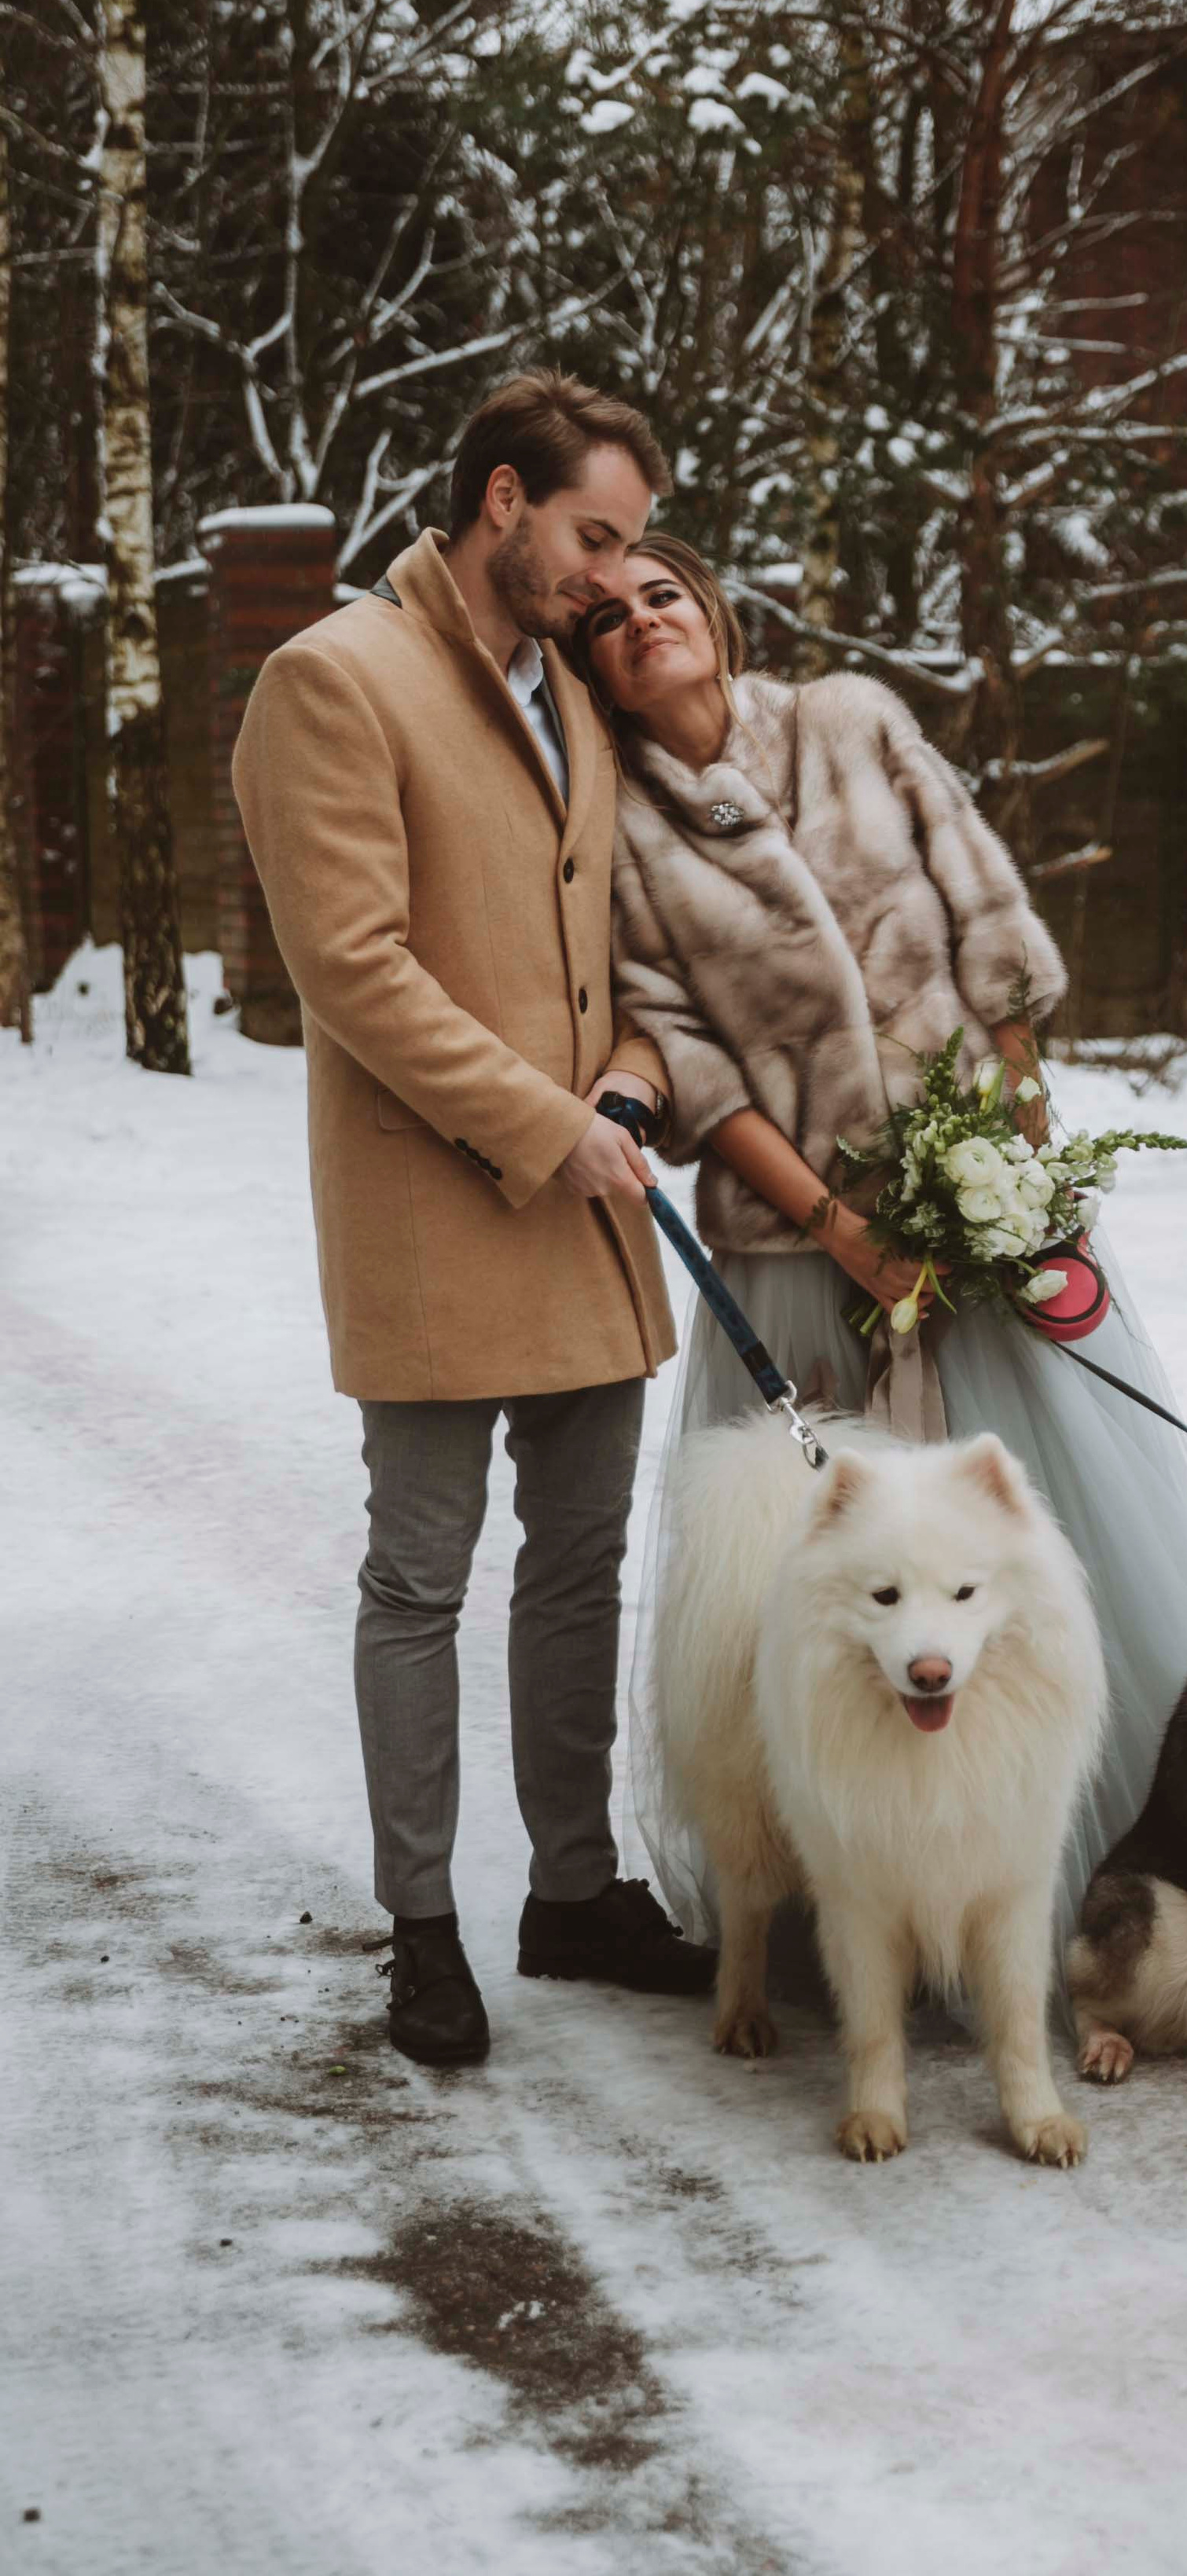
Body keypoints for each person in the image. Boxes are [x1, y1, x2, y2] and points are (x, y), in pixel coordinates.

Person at [570, 534, 1187, 1935]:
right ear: (594, 672)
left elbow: (986, 916)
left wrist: (1019, 1143)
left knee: (1045, 1552)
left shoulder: (853, 722)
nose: (640, 622)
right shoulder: (619, 829)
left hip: (983, 1226)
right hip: (798, 1258)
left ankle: (1153, 1889)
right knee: (840, 1595)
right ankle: (869, 1918)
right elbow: (694, 1070)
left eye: (662, 595)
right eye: (606, 620)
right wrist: (844, 1236)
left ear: (712, 612)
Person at [233, 372, 717, 2068]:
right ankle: (423, 1927)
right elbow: (350, 969)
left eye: (632, 542)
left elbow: (634, 938)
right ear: (501, 499)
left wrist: (634, 1087)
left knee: (579, 1573)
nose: (613, 574)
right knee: (421, 1579)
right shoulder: (331, 677)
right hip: (434, 1207)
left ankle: (572, 1894)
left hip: (589, 1204)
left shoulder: (577, 688)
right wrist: (542, 1126)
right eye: (594, 534)